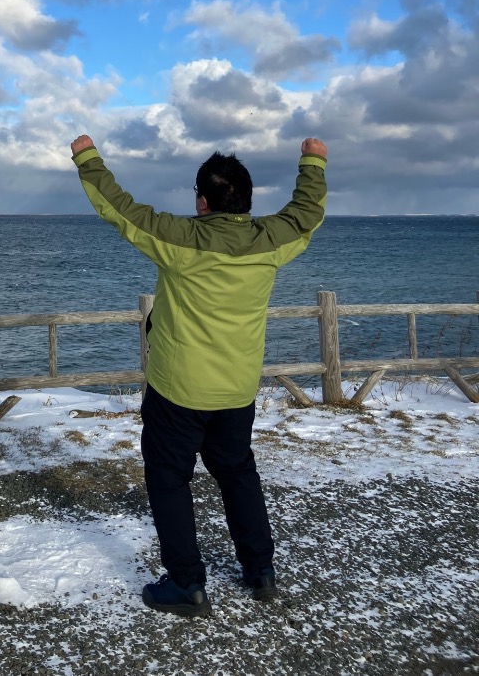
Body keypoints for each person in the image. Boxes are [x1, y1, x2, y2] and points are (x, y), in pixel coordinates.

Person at [70, 134, 328, 618]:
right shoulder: (271, 241)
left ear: (202, 201)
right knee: (237, 473)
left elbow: (119, 208)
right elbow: (306, 211)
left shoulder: (179, 239)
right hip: (236, 389)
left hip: (178, 390)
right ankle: (260, 570)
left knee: (169, 481)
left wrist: (87, 157)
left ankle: (187, 584)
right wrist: (312, 162)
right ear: (246, 201)